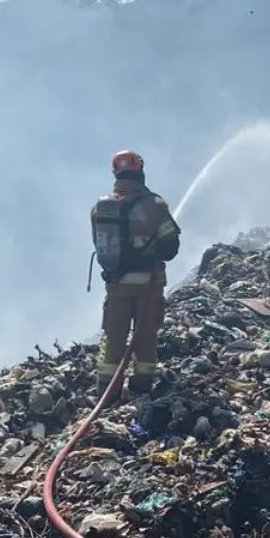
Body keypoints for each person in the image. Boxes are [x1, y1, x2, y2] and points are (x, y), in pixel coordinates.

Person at [90, 149, 181, 396]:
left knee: (114, 339)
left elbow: (99, 246)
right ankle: (141, 389)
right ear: (140, 170)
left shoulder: (100, 208)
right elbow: (171, 247)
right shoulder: (155, 205)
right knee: (145, 338)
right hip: (149, 285)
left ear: (114, 172)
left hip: (117, 285)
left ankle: (107, 393)